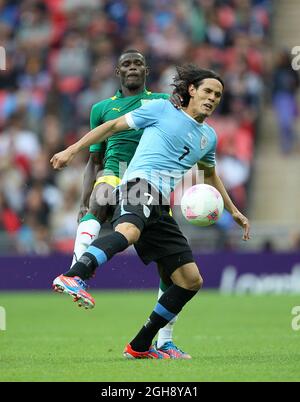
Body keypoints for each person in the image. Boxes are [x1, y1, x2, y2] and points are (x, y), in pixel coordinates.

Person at [51, 64, 250, 359]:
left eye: (218, 95)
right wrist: (72, 149)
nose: (212, 98)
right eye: (207, 90)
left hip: (160, 204)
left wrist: (233, 210)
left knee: (190, 279)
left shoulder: (208, 136)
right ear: (192, 90)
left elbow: (209, 174)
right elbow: (112, 126)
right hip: (137, 184)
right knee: (128, 232)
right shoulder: (161, 109)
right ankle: (75, 274)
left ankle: (141, 345)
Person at [68, 49, 190, 359]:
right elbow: (94, 159)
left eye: (137, 63)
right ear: (117, 73)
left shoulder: (161, 102)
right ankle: (77, 269)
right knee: (101, 194)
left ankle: (165, 340)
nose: (132, 68)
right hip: (117, 171)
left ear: (146, 70)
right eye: (126, 64)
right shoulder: (101, 108)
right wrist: (84, 203)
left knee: (169, 270)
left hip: (153, 182)